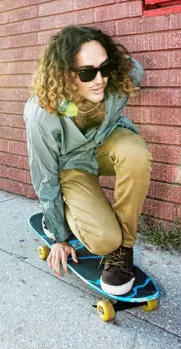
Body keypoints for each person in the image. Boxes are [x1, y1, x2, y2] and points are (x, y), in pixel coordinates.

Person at [24, 25, 152, 296]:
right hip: (72, 165)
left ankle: (123, 249)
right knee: (104, 240)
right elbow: (45, 175)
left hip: (107, 143)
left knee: (135, 153)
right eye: (87, 72)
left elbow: (135, 70)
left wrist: (114, 63)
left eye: (103, 67)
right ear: (65, 75)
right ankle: (66, 218)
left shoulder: (114, 77)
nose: (99, 80)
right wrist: (60, 237)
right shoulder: (42, 114)